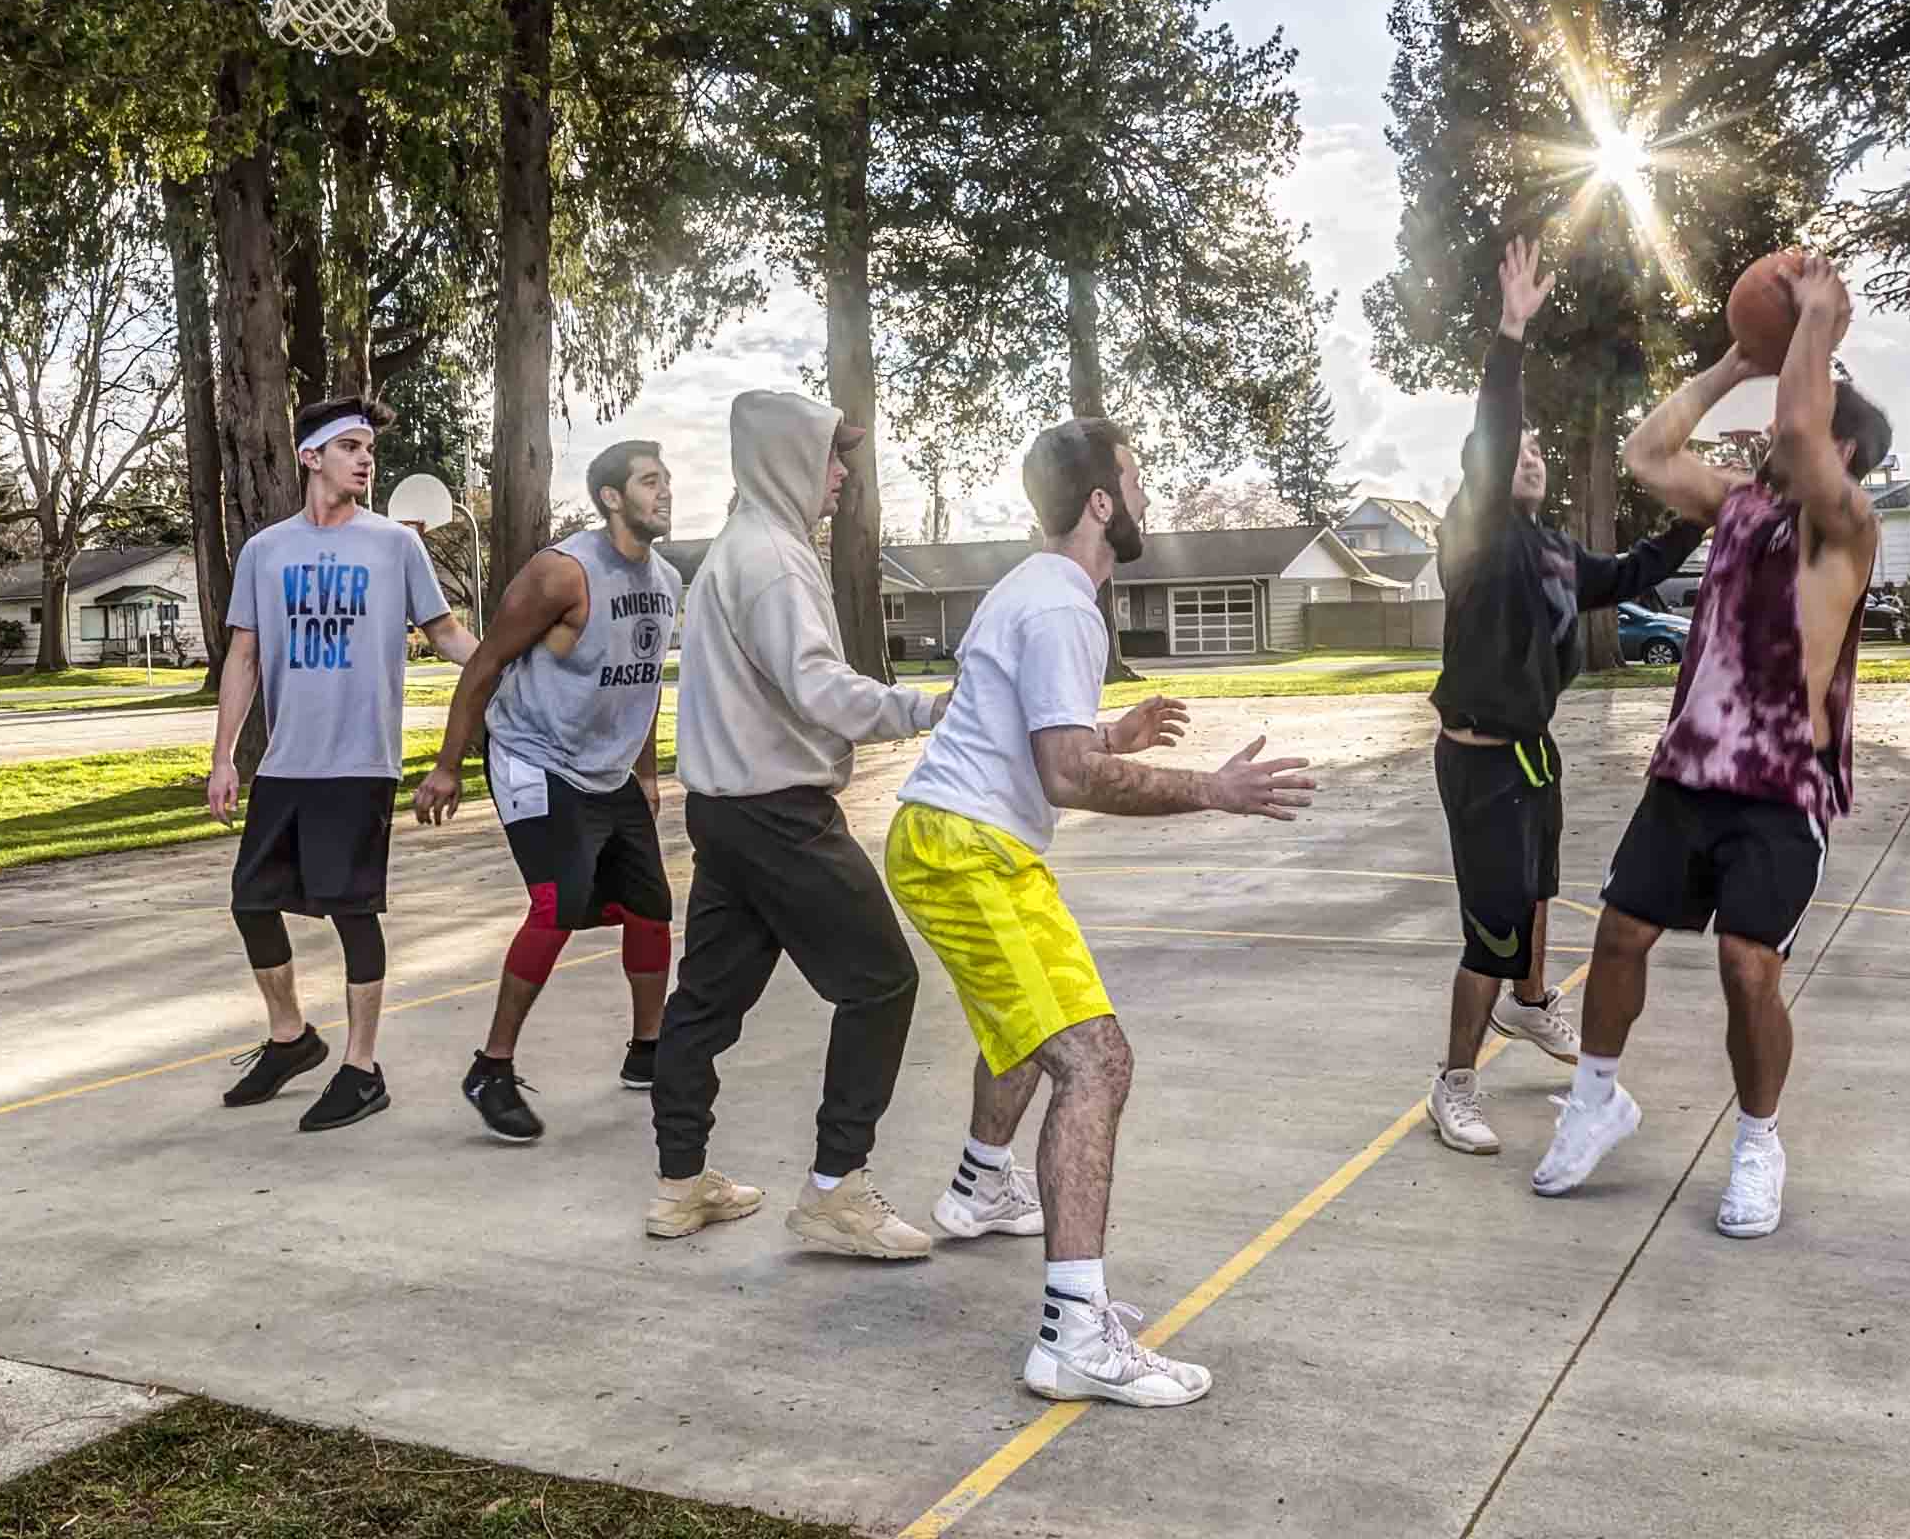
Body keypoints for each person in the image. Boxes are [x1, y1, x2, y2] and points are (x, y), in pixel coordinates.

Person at [889, 415, 1318, 1406]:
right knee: (1094, 1060)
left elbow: (1049, 735)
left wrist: (1116, 727)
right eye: (1134, 478)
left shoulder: (1044, 592)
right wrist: (1208, 788)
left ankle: (976, 1187)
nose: (1146, 495)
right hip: (966, 851)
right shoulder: (1059, 607)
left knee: (1036, 1030)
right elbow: (1071, 774)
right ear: (1099, 502)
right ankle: (1072, 1335)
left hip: (962, 842)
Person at [1533, 249, 1881, 1243]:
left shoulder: (1846, 528)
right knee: (1616, 936)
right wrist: (1734, 360)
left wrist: (1813, 319)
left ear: (1845, 454)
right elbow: (1648, 454)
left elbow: (1807, 432)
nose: (1772, 424)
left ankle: (1758, 1140)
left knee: (1745, 968)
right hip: (1687, 774)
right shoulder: (1735, 506)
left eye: (1794, 418)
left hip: (1780, 791)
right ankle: (1596, 1099)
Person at [639, 390, 952, 1257]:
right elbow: (821, 689)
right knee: (881, 982)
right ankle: (835, 1190)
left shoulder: (738, 552)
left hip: (726, 814)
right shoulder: (772, 560)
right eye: (830, 456)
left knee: (703, 1004)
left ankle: (678, 1183)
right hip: (780, 816)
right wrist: (932, 707)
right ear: (785, 462)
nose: (844, 472)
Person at [1422, 233, 1705, 1154]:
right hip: (1477, 760)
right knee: (1492, 926)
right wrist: (1510, 331)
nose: (1530, 454)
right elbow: (1495, 425)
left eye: (1539, 449)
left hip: (1531, 754)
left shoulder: (1553, 552)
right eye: (1519, 448)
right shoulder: (1472, 533)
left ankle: (1533, 1005)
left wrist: (1699, 516)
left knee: (1539, 894)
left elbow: (1629, 572)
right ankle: (1452, 1084)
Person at [211, 397, 472, 1135]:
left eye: (368, 448)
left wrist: (503, 666)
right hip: (288, 762)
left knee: (352, 911)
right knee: (251, 901)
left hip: (360, 762)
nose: (365, 459)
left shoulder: (394, 545)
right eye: (350, 446)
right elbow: (244, 655)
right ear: (310, 457)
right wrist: (223, 757)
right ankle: (292, 1037)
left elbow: (444, 631)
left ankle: (361, 1070)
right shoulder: (266, 551)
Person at [416, 438, 684, 1142]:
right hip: (532, 758)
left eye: (666, 481)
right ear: (611, 498)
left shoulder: (665, 581)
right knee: (556, 905)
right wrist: (448, 766)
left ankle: (648, 1052)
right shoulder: (562, 573)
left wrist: (647, 770)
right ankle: (491, 1068)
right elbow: (484, 664)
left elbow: (644, 680)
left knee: (651, 909)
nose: (665, 493)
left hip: (607, 770)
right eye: (650, 482)